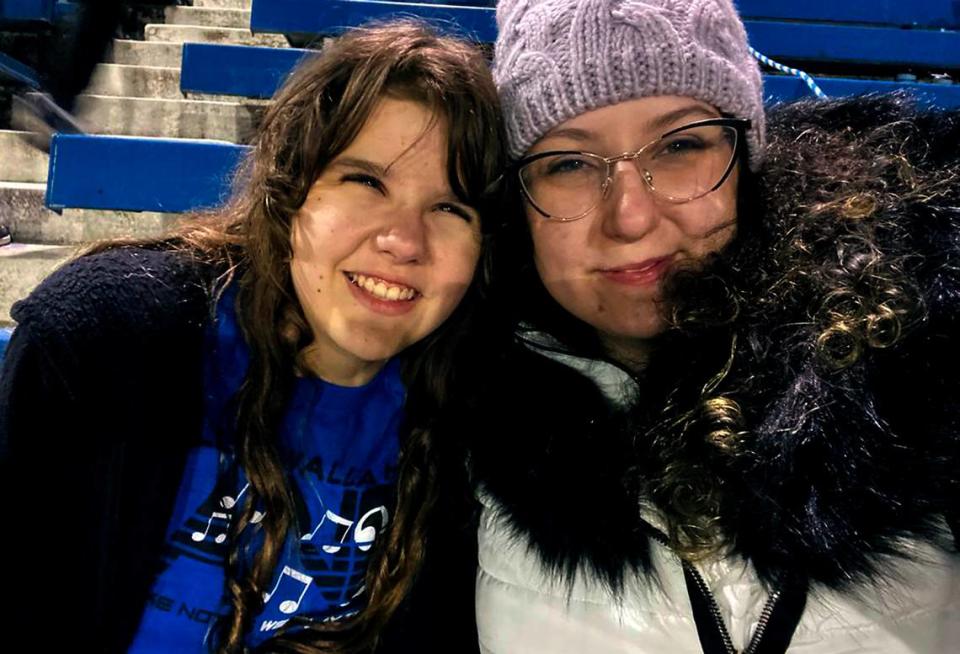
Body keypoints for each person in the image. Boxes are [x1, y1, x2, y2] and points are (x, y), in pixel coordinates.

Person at [459, 0, 960, 652]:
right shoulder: (450, 409)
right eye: (569, 164)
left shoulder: (919, 355)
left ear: (744, 158)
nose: (631, 217)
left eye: (680, 145)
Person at [0, 21, 502, 653]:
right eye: (366, 182)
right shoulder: (102, 346)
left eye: (452, 208)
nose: (404, 241)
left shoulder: (476, 431)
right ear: (290, 194)